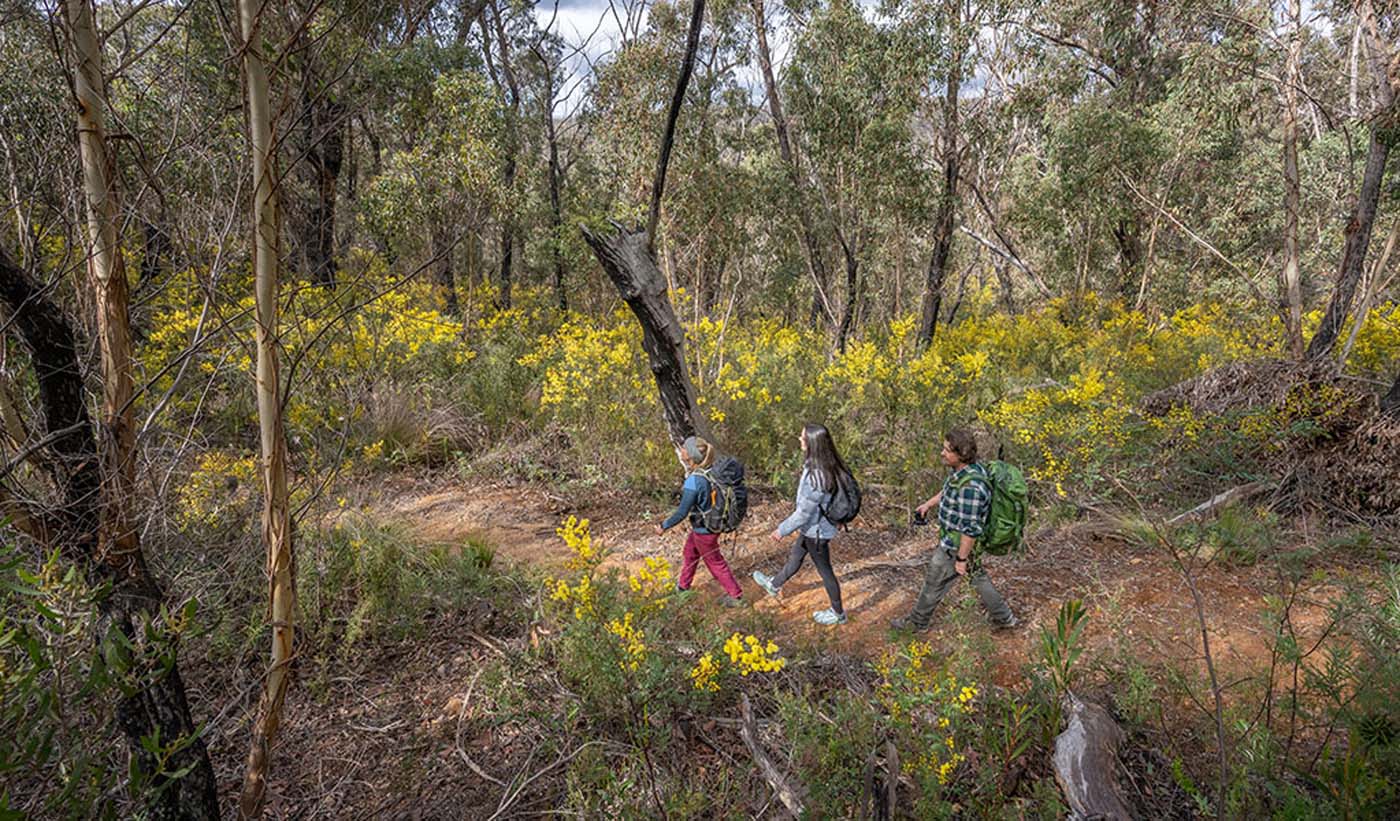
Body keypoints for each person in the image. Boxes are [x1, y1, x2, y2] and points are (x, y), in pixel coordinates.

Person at [891, 428, 1016, 631]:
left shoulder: (972, 487)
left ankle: (917, 623)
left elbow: (971, 527)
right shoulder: (964, 472)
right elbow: (948, 490)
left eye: (947, 450)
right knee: (978, 578)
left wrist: (961, 559)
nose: (942, 453)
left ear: (961, 454)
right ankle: (1005, 618)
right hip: (960, 544)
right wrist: (928, 504)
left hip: (956, 545)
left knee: (933, 581)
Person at [752, 423, 848, 625]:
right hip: (814, 527)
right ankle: (775, 584)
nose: (799, 439)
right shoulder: (825, 464)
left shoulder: (817, 475)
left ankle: (838, 613)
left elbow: (804, 512)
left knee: (825, 571)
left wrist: (782, 529)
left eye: (803, 438)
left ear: (812, 443)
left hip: (817, 531)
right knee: (796, 556)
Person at [655, 435, 744, 606]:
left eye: (684, 448)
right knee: (690, 553)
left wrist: (663, 526)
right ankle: (682, 587)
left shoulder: (694, 481)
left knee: (715, 563)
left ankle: (736, 596)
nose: (681, 450)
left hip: (705, 531)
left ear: (690, 456)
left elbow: (681, 512)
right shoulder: (711, 471)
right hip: (708, 525)